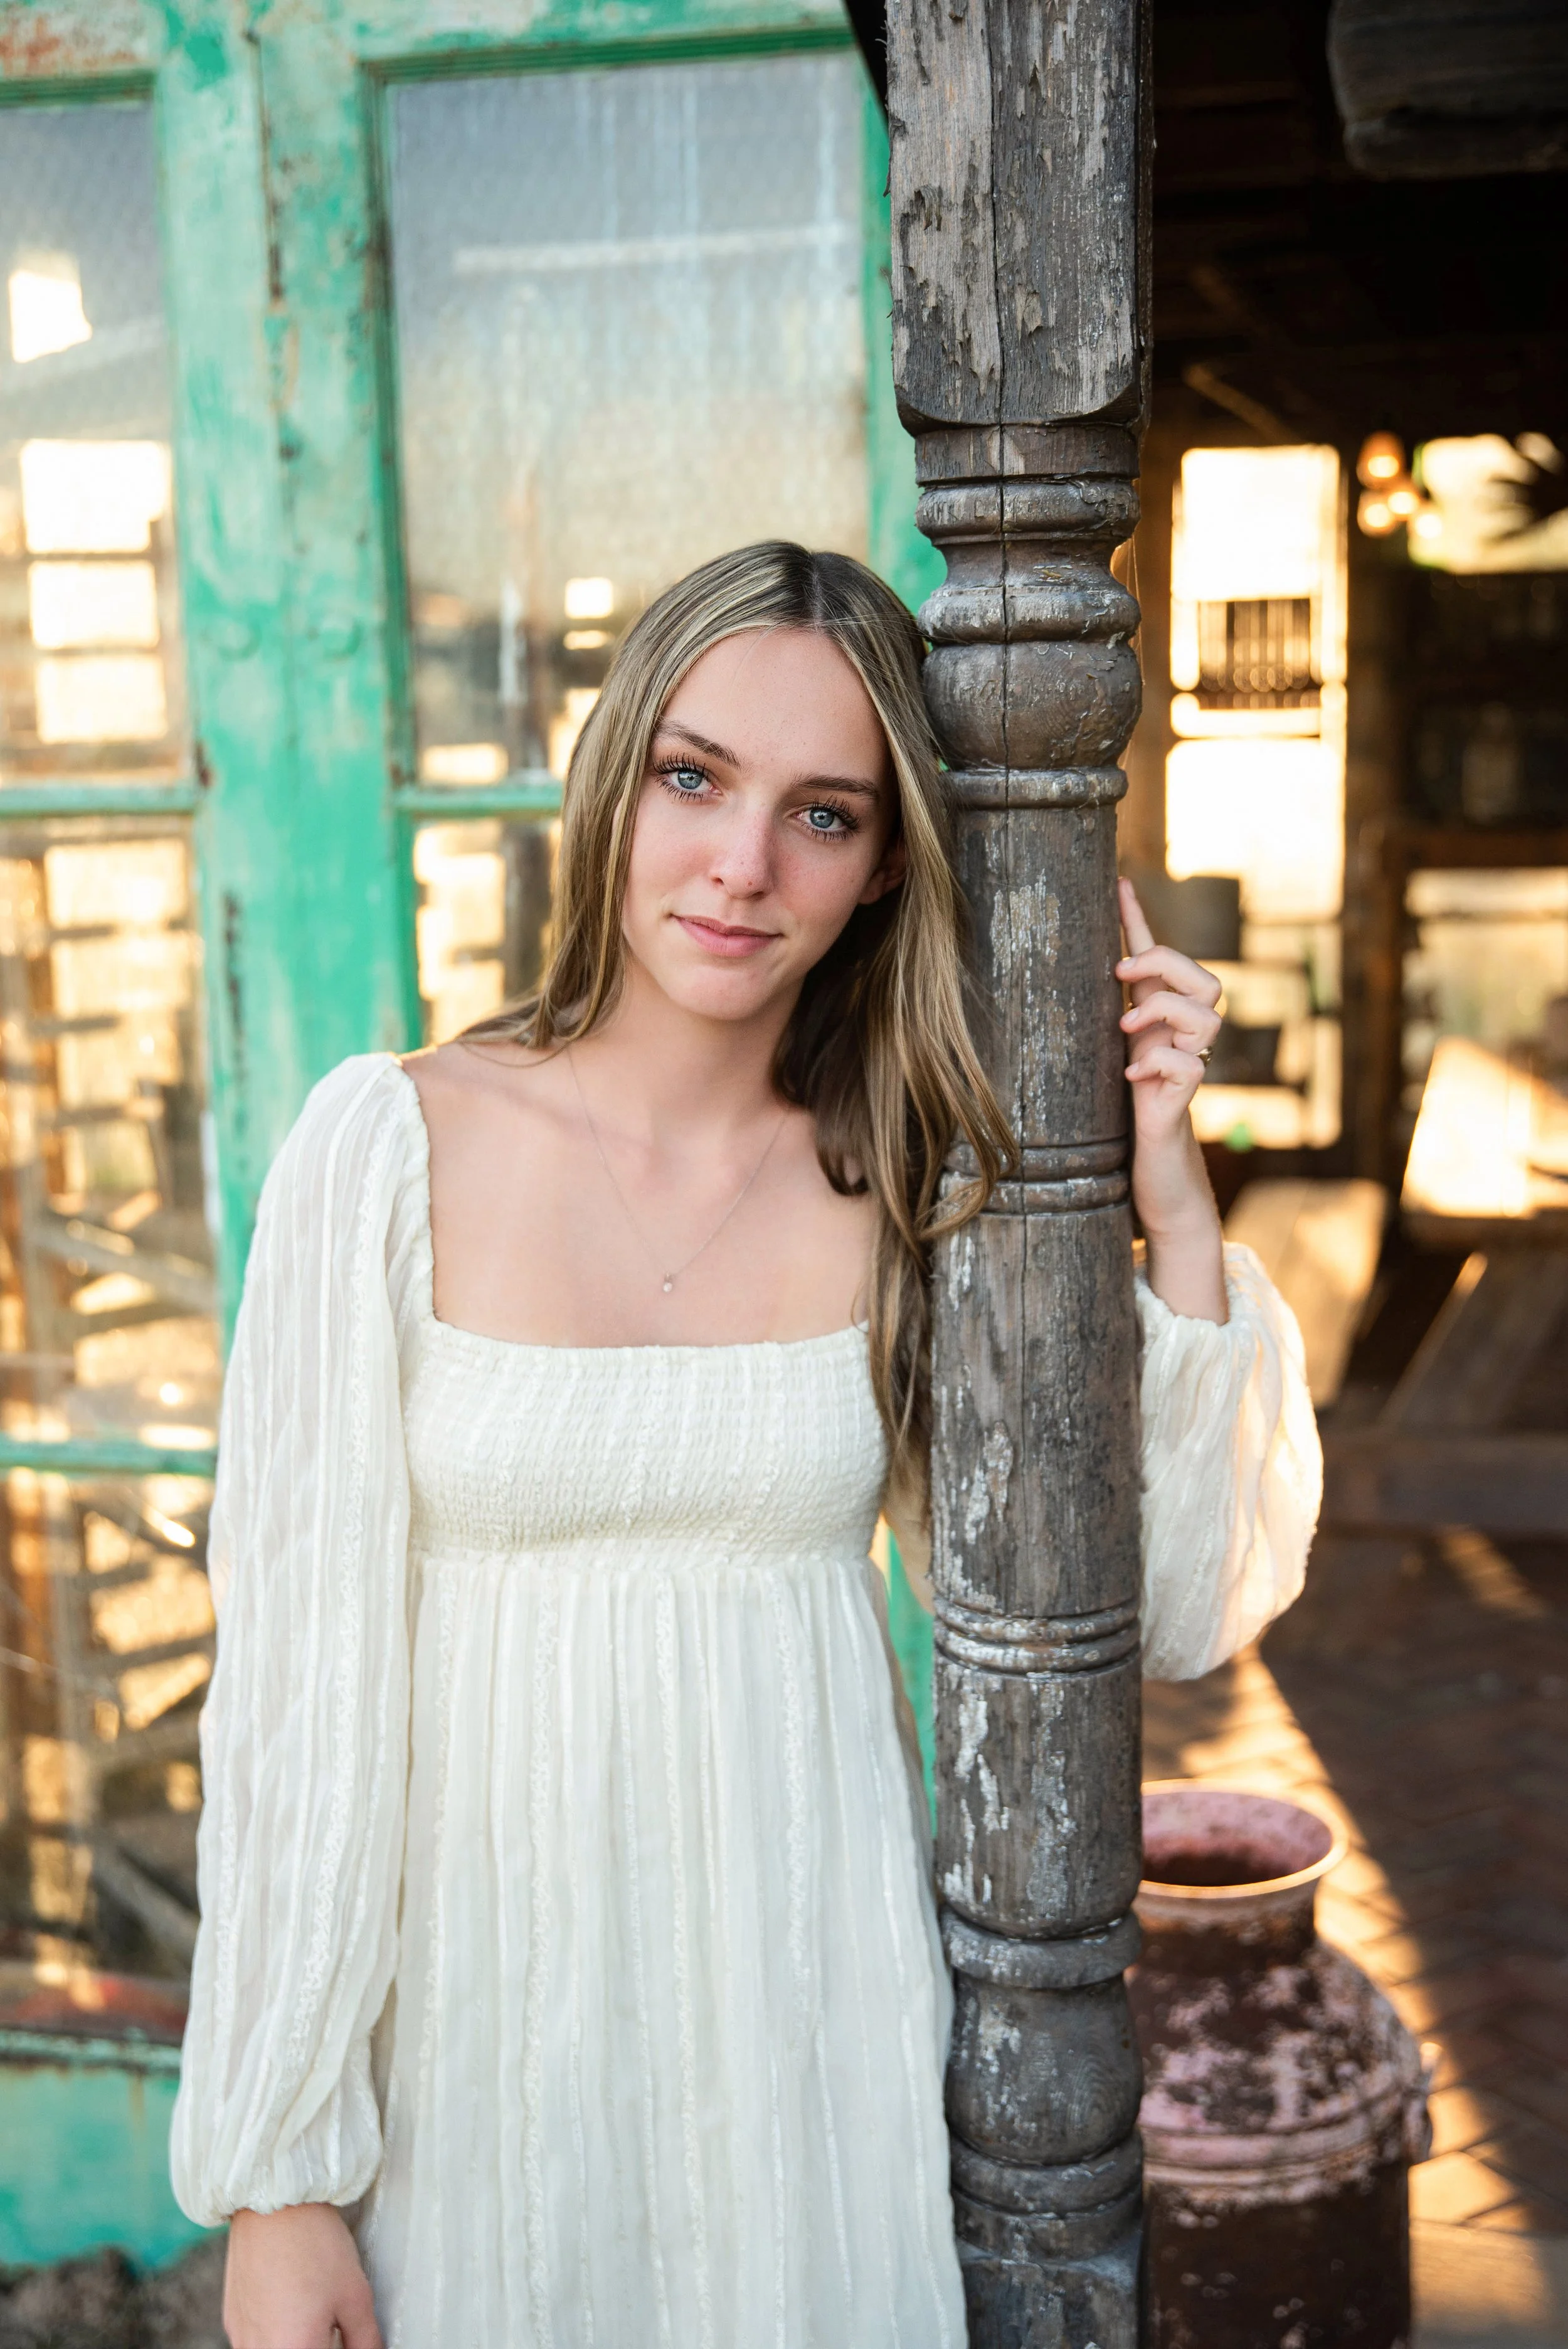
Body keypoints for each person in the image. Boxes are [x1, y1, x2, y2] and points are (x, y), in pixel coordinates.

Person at [171, 542, 1320, 2349]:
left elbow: (1171, 1605)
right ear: (616, 779)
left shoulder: (913, 1191)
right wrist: (280, 2174)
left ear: (879, 873)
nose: (740, 865)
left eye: (825, 815)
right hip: (477, 2046)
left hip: (807, 2035)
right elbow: (295, 1707)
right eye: (693, 777)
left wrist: (1169, 1200)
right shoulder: (386, 1148)